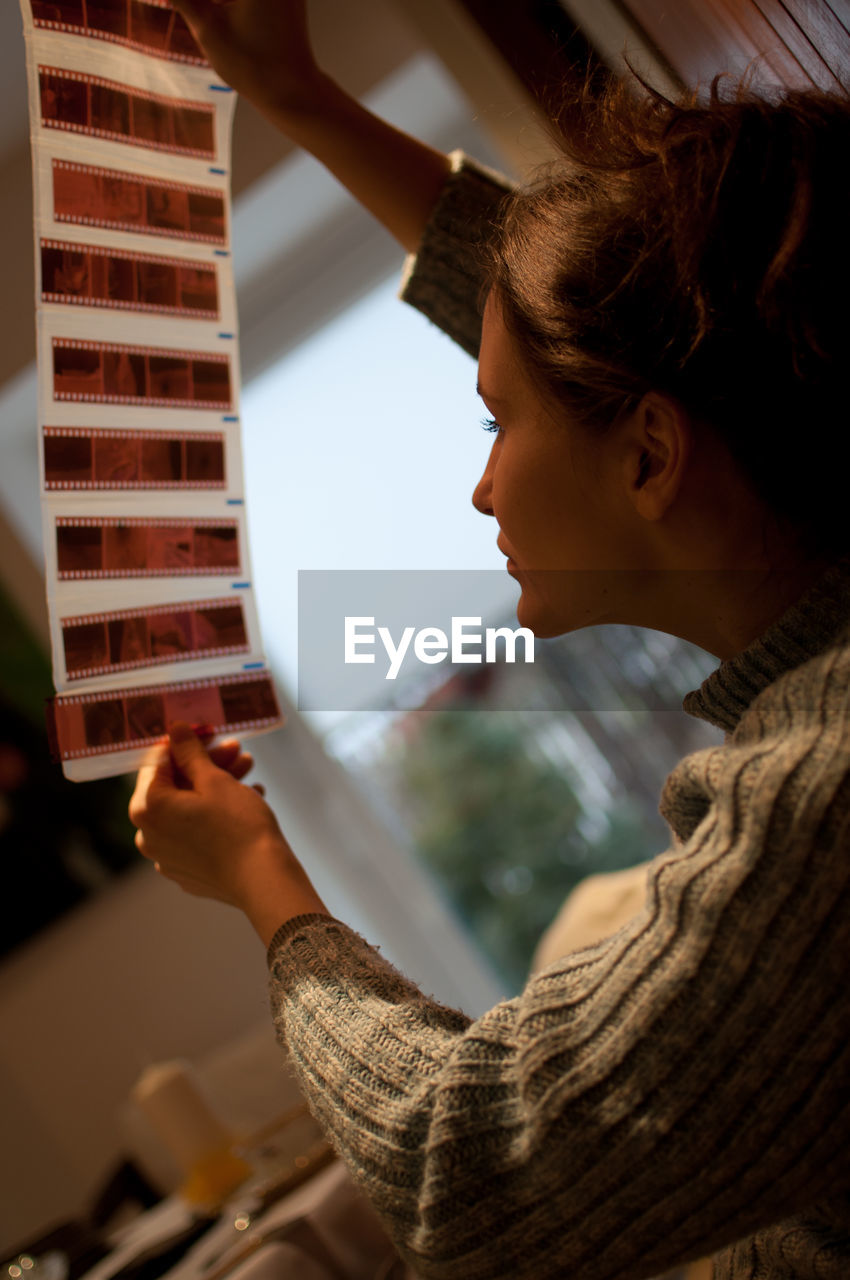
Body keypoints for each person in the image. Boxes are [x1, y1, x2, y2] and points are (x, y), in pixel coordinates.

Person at [130, 2, 850, 1276]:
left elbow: (470, 1187)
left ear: (649, 454)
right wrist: (295, 96)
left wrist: (260, 881)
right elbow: (586, 318)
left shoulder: (819, 799)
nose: (481, 489)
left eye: (491, 426)